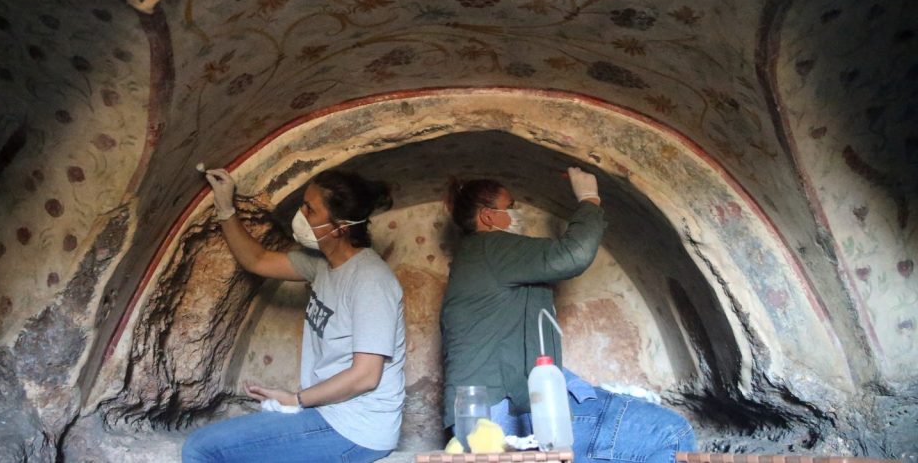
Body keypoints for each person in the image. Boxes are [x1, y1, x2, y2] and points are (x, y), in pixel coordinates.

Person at [440, 167, 695, 461]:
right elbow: (572, 255)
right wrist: (589, 199)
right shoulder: (491, 247)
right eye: (510, 207)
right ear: (487, 216)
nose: (516, 212)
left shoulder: (477, 257)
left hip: (488, 414)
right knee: (670, 433)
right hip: (499, 418)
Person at [183, 168, 405, 463]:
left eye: (310, 209)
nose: (300, 214)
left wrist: (295, 400)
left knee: (201, 448)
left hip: (356, 430)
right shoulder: (323, 265)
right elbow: (257, 259)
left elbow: (365, 375)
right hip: (331, 415)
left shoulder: (370, 281)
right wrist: (225, 208)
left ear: (339, 227)